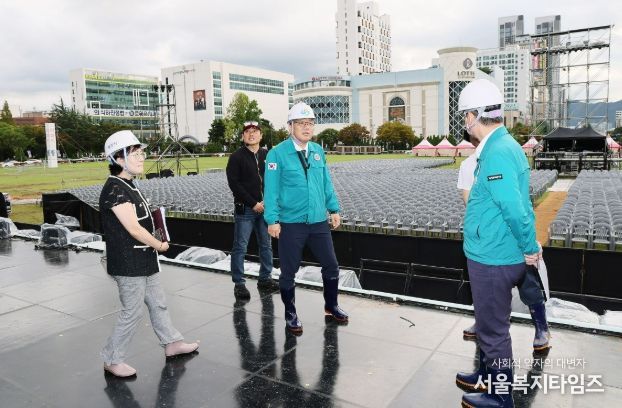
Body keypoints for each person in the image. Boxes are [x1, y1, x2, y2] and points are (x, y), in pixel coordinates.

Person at [455, 79, 542, 408]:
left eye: (465, 116)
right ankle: (487, 376)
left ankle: (501, 397)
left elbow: (514, 208)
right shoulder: (501, 146)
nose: (465, 122)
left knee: (493, 332)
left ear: (474, 116)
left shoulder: (498, 152)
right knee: (489, 324)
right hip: (495, 251)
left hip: (494, 257)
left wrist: (530, 247)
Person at [99, 130, 198, 378]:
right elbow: (133, 229)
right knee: (132, 312)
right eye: (135, 153)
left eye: (141, 153)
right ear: (118, 159)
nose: (142, 157)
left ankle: (172, 343)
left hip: (144, 258)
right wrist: (159, 245)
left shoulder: (128, 184)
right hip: (128, 263)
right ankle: (112, 359)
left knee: (157, 302)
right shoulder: (115, 189)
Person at [457, 140, 551, 356]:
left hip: (514, 238)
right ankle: (483, 323)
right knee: (484, 292)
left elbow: (517, 205)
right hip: (489, 242)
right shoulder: (468, 165)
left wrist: (527, 242)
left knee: (529, 285)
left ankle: (542, 327)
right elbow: (470, 203)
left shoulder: (503, 157)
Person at [263, 102, 348, 335]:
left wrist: (334, 209)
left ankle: (331, 306)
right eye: (301, 123)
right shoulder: (277, 154)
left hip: (318, 221)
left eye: (310, 123)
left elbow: (326, 183)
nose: (307, 127)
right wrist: (272, 220)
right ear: (290, 126)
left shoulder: (318, 151)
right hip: (291, 223)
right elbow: (270, 190)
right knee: (289, 271)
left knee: (331, 266)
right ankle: (290, 314)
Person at [226, 121, 279, 299]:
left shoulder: (268, 155)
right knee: (240, 246)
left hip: (266, 208)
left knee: (266, 245)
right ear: (243, 136)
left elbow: (275, 179)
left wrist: (267, 202)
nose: (251, 134)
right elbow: (234, 185)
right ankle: (239, 283)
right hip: (246, 210)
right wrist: (253, 203)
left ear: (260, 135)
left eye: (255, 131)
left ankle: (265, 279)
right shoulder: (236, 157)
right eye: (247, 132)